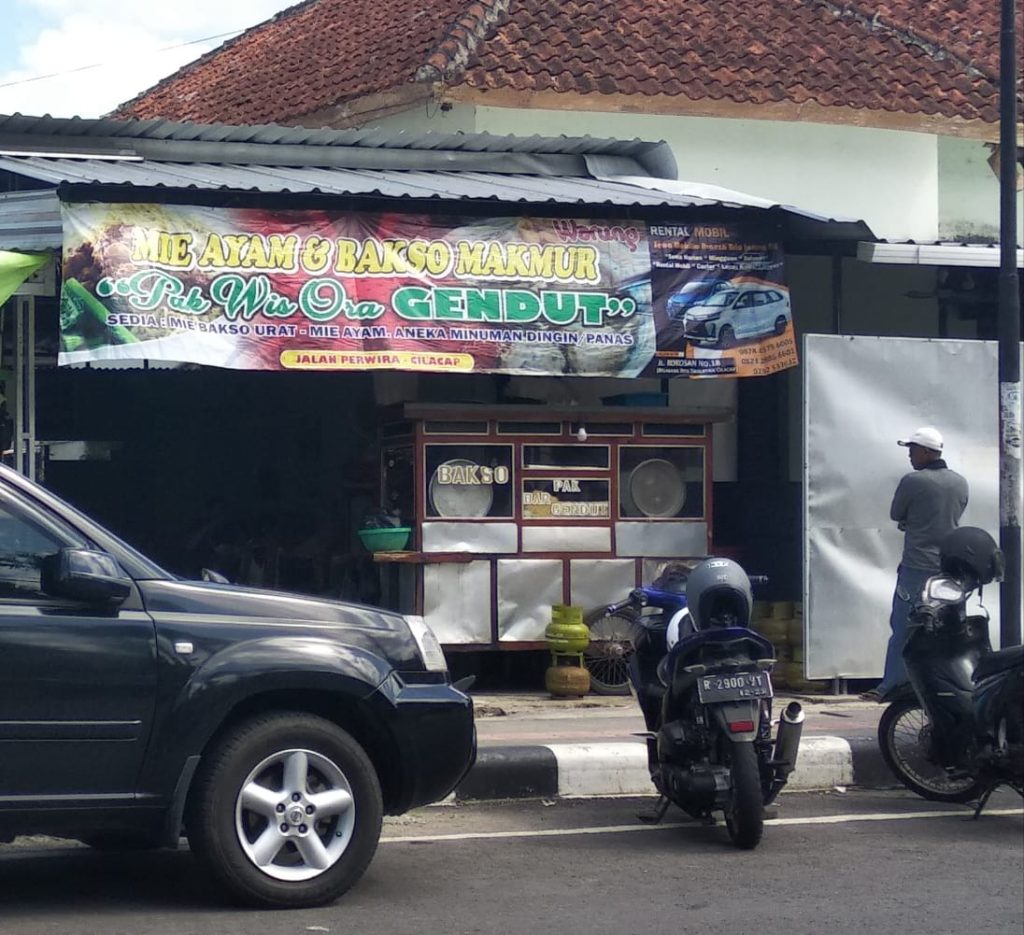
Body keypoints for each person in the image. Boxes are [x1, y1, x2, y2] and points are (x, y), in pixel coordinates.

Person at [863, 426, 969, 701]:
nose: (910, 456)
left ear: (925, 452)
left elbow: (896, 512)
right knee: (946, 629)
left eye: (912, 450)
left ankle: (892, 686)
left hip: (916, 566)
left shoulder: (913, 481)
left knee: (904, 626)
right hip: (949, 569)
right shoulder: (960, 482)